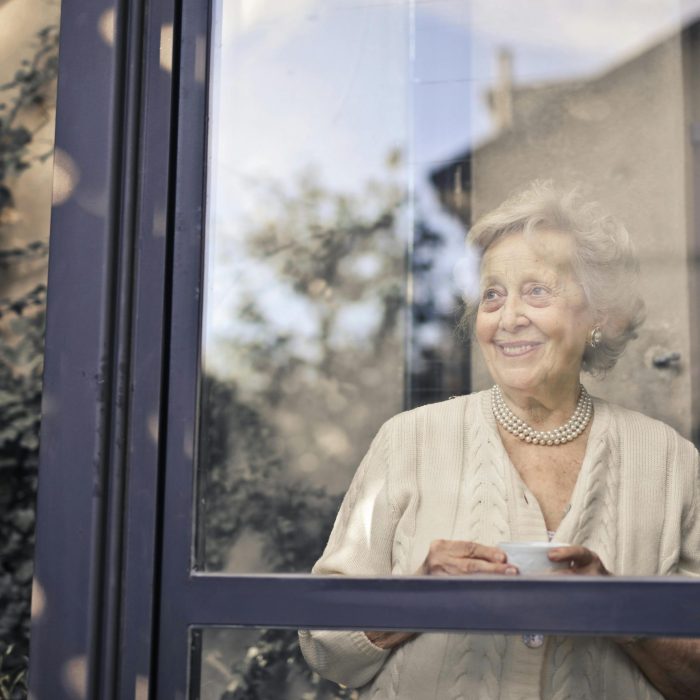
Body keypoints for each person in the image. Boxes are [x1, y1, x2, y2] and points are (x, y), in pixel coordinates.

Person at [298, 182, 700, 699]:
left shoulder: (669, 462)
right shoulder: (409, 441)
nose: (508, 318)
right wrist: (418, 596)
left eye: (537, 291)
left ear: (599, 315)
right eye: (492, 294)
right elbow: (322, 641)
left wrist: (621, 611)